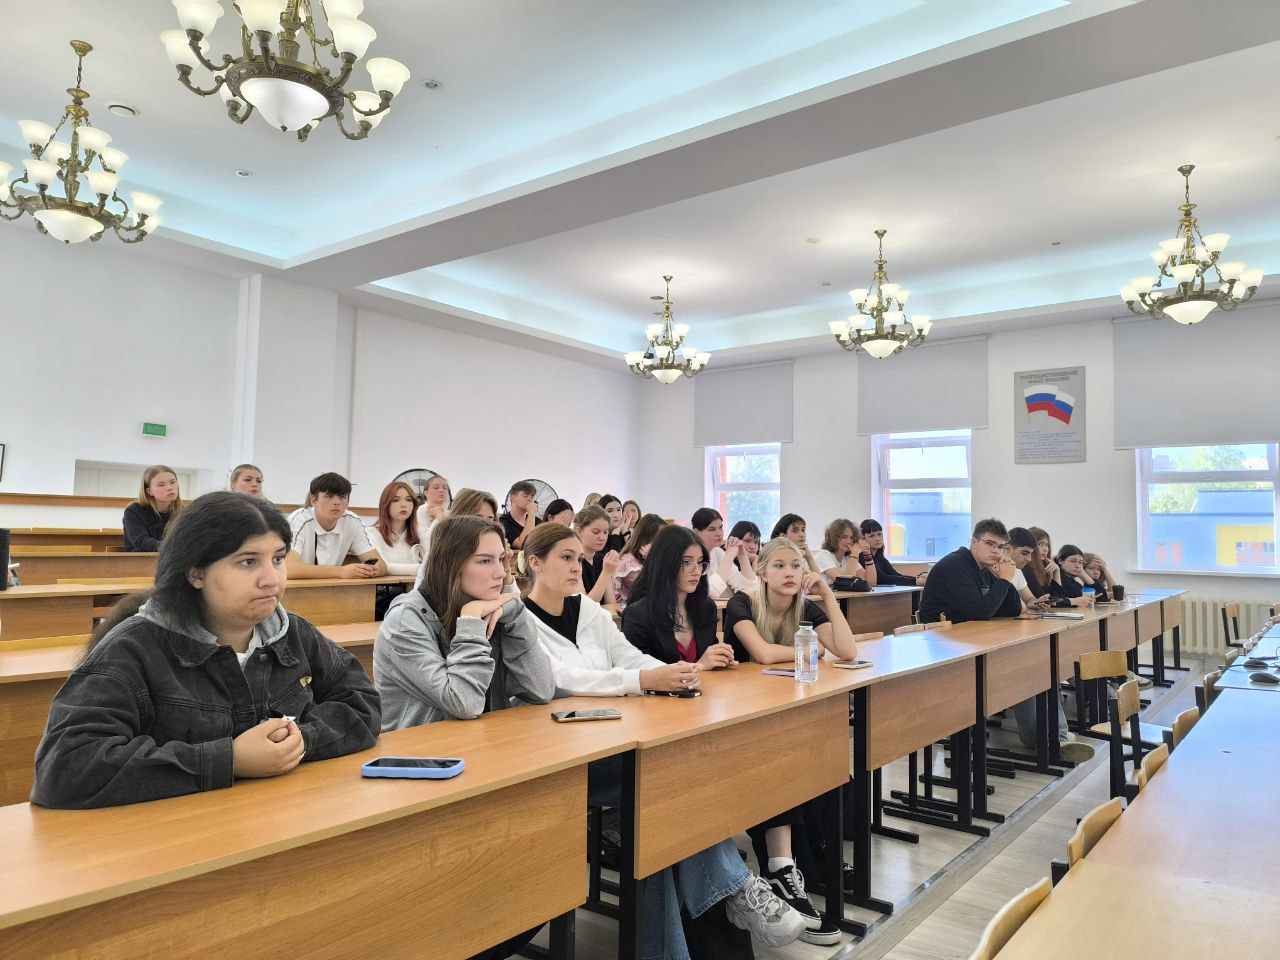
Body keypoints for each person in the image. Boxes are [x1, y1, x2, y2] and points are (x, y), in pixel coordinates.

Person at [521, 522, 806, 956]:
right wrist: (642, 680)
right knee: (663, 797)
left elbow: (630, 657)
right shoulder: (520, 619)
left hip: (618, 739)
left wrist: (676, 672)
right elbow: (558, 679)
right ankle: (737, 886)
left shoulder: (589, 612)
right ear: (535, 563)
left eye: (579, 558)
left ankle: (696, 928)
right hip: (566, 757)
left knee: (658, 824)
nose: (578, 566)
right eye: (566, 557)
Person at [31, 492, 381, 809]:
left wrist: (303, 739)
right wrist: (230, 760)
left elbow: (361, 702)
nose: (272, 580)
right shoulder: (132, 649)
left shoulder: (293, 633)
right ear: (196, 573)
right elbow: (65, 768)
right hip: (174, 839)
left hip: (277, 819)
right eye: (248, 562)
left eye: (277, 559)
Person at [719, 536, 862, 942]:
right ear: (762, 571)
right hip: (740, 718)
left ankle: (800, 863)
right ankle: (784, 868)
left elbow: (848, 650)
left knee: (823, 760)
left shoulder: (806, 608)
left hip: (785, 714)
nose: (789, 573)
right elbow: (763, 653)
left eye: (796, 566)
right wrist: (812, 650)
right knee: (785, 762)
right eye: (779, 566)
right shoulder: (743, 604)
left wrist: (827, 596)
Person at [375, 514, 554, 729]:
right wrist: (471, 620)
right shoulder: (403, 622)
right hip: (424, 748)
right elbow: (464, 703)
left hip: (487, 740)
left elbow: (541, 690)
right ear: (451, 565)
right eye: (485, 561)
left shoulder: (496, 610)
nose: (501, 573)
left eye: (500, 559)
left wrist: (515, 614)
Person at [1003, 528, 1094, 764]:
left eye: (1044, 546)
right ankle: (1050, 736)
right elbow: (1009, 606)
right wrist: (1028, 604)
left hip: (1016, 633)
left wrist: (1037, 602)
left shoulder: (1019, 571)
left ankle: (1058, 736)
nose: (1031, 557)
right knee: (1031, 669)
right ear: (1009, 548)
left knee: (1045, 667)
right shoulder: (1001, 570)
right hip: (1000, 639)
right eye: (1026, 552)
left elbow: (1029, 600)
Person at [622, 525, 740, 668]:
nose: (696, 571)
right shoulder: (638, 615)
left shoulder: (706, 608)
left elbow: (708, 659)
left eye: (699, 562)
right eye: (686, 562)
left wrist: (721, 659)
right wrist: (699, 666)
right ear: (666, 564)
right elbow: (639, 674)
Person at [916, 518, 1021, 624]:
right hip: (938, 631)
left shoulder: (987, 567)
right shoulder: (954, 565)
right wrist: (1004, 580)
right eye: (989, 544)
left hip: (964, 629)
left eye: (1000, 547)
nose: (996, 551)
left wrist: (1002, 578)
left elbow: (1013, 610)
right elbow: (980, 613)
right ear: (974, 543)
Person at [285, 473, 386, 579]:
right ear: (314, 500)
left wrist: (374, 569)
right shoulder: (299, 519)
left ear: (348, 502)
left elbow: (382, 565)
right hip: (299, 587)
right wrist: (340, 572)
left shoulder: (353, 521)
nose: (337, 502)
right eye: (329, 496)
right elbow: (288, 568)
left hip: (334, 586)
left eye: (342, 497)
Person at [691, 507, 757, 600]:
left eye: (721, 527)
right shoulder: (691, 557)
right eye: (712, 529)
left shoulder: (718, 553)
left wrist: (742, 556)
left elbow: (749, 589)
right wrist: (729, 557)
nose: (719, 533)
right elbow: (710, 593)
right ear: (696, 533)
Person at [365, 481, 424, 576]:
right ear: (386, 505)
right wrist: (421, 569)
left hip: (415, 585)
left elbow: (433, 561)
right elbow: (380, 566)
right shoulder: (371, 533)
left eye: (408, 500)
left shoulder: (418, 532)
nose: (403, 504)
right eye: (396, 500)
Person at [122, 465, 183, 551]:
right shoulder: (134, 511)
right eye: (161, 485)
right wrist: (174, 549)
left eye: (172, 482)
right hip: (140, 558)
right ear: (149, 491)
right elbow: (141, 542)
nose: (170, 488)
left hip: (173, 557)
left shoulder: (184, 512)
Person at [611, 512, 666, 606]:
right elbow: (651, 590)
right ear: (645, 538)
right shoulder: (629, 563)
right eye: (659, 539)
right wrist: (652, 559)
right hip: (629, 610)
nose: (664, 543)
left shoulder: (661, 557)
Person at [859, 519, 927, 586]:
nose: (877, 539)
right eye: (872, 536)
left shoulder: (879, 556)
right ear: (863, 539)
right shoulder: (862, 556)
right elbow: (882, 579)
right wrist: (915, 581)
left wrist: (917, 578)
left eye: (879, 534)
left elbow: (894, 574)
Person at [574, 504, 618, 604]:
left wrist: (607, 572)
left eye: (605, 532)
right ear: (579, 531)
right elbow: (585, 607)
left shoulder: (601, 560)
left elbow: (611, 604)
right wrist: (606, 573)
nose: (602, 538)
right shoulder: (574, 562)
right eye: (595, 532)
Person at [812, 519, 876, 586]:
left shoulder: (847, 558)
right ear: (834, 538)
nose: (849, 541)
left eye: (851, 537)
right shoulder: (823, 556)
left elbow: (871, 582)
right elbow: (846, 583)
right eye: (844, 537)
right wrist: (854, 554)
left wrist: (867, 554)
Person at [413, 474, 451, 550]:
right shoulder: (420, 511)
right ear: (425, 493)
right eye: (436, 487)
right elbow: (425, 544)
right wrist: (438, 518)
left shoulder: (450, 513)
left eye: (444, 488)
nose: (442, 490)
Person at [499, 480, 540, 551]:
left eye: (532, 497)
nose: (530, 499)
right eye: (525, 496)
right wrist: (531, 513)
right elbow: (523, 545)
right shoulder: (503, 521)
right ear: (513, 498)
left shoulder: (537, 521)